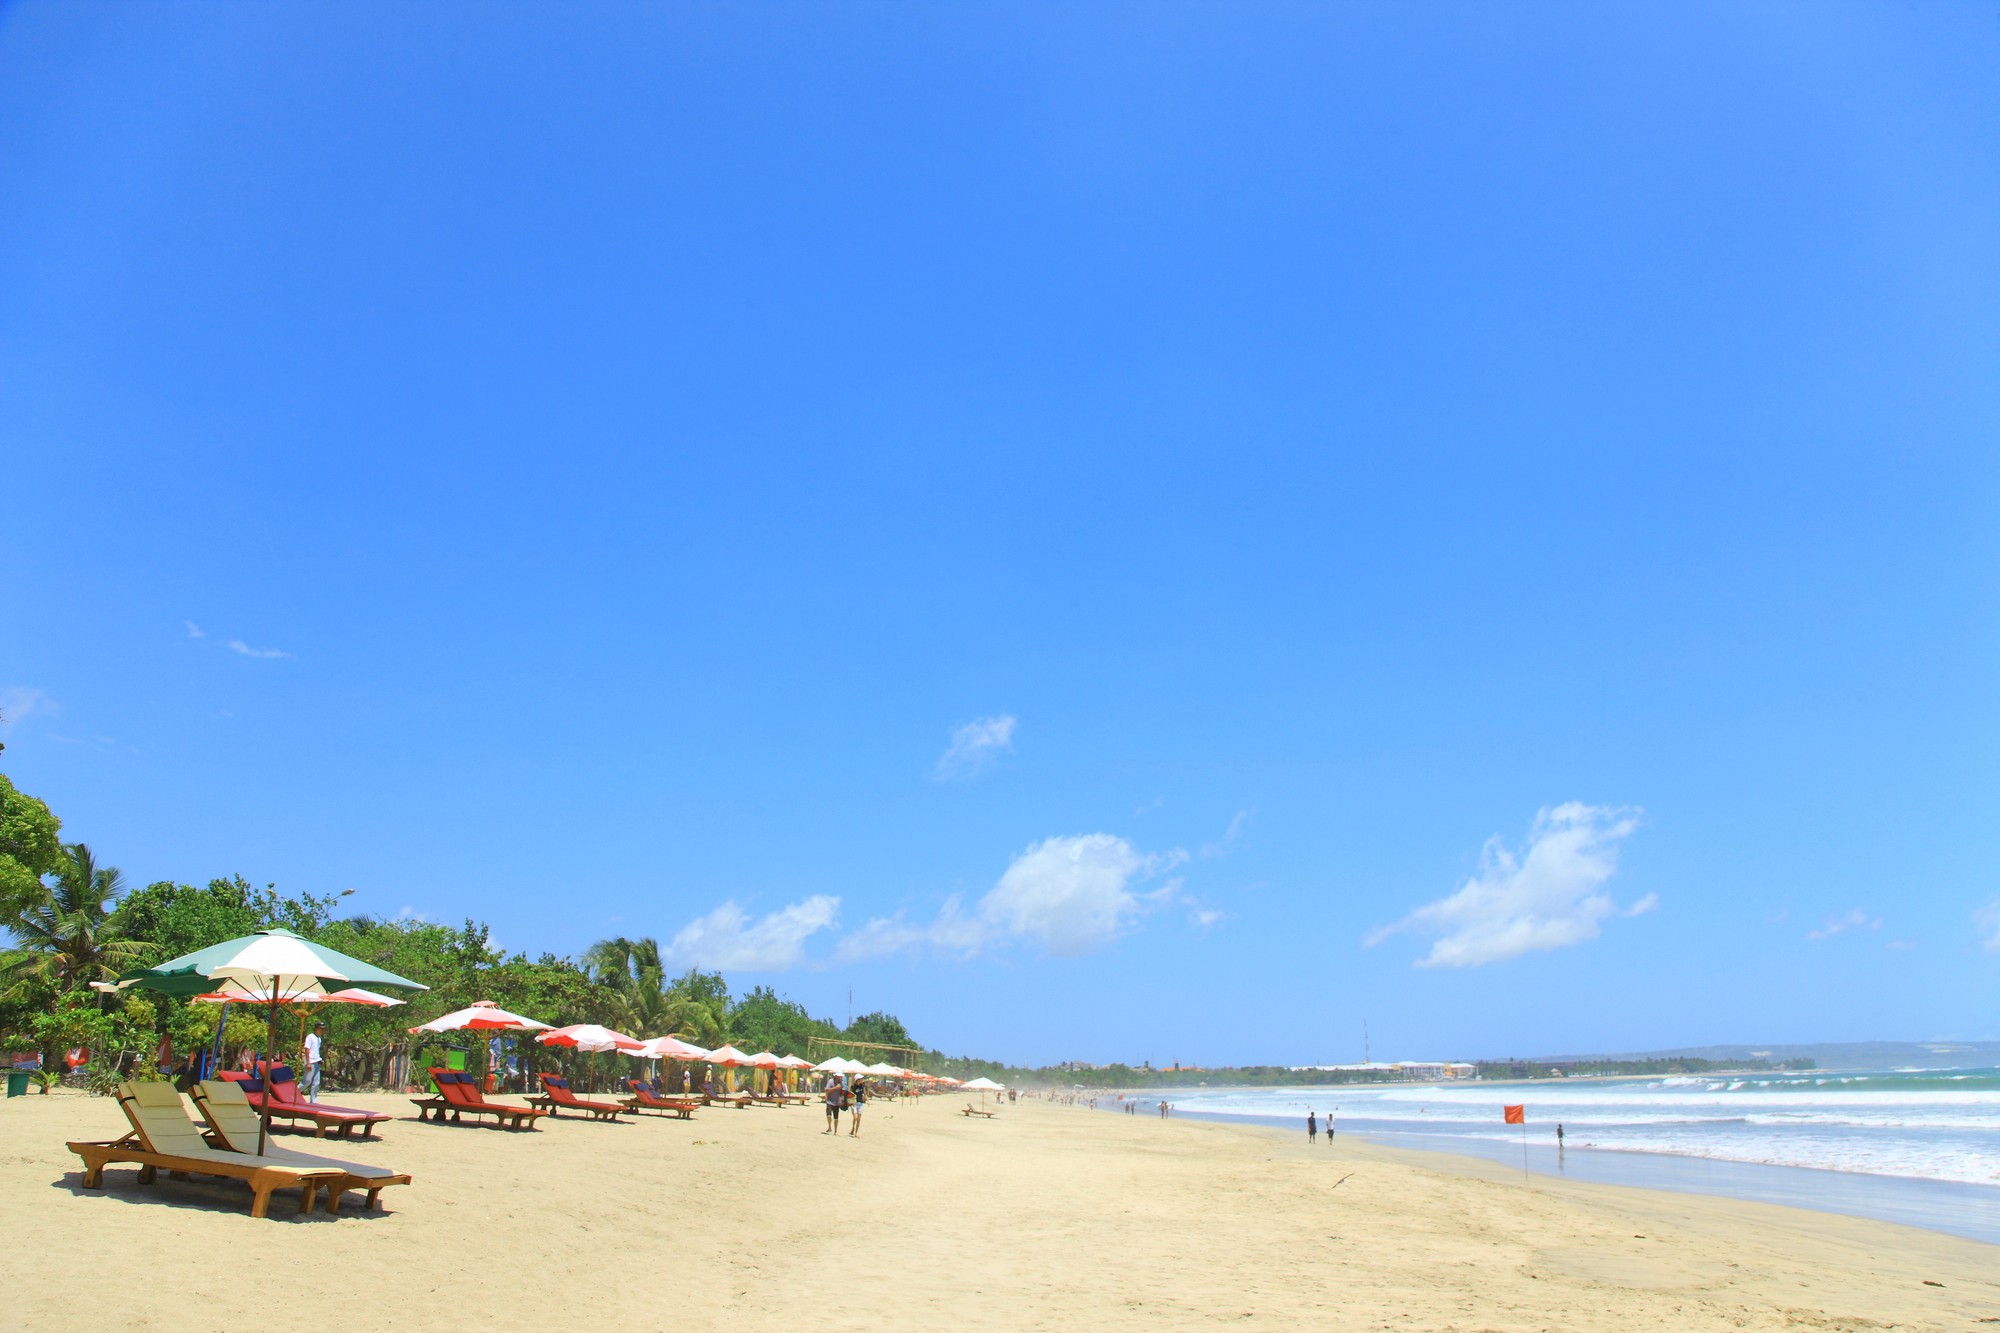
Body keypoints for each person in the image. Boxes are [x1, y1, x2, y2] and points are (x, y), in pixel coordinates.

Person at [301, 1023, 325, 1103]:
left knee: (316, 1082)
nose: (322, 1030)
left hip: (317, 1062)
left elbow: (315, 1051)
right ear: (316, 1029)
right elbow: (307, 1050)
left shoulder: (319, 1039)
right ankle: (294, 1093)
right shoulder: (310, 1037)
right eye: (321, 1029)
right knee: (306, 1081)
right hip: (310, 1062)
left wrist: (319, 1059)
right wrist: (308, 1062)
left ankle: (313, 1101)